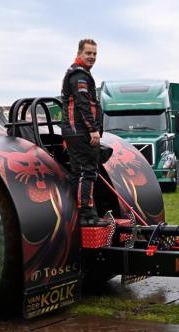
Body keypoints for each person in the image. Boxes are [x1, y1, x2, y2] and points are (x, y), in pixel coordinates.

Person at [61, 39, 107, 227]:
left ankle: (85, 213)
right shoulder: (79, 75)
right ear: (79, 53)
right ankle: (86, 216)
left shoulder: (82, 74)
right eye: (88, 53)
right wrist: (93, 130)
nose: (92, 57)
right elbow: (83, 104)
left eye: (95, 54)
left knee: (81, 172)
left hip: (76, 131)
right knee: (85, 172)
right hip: (79, 131)